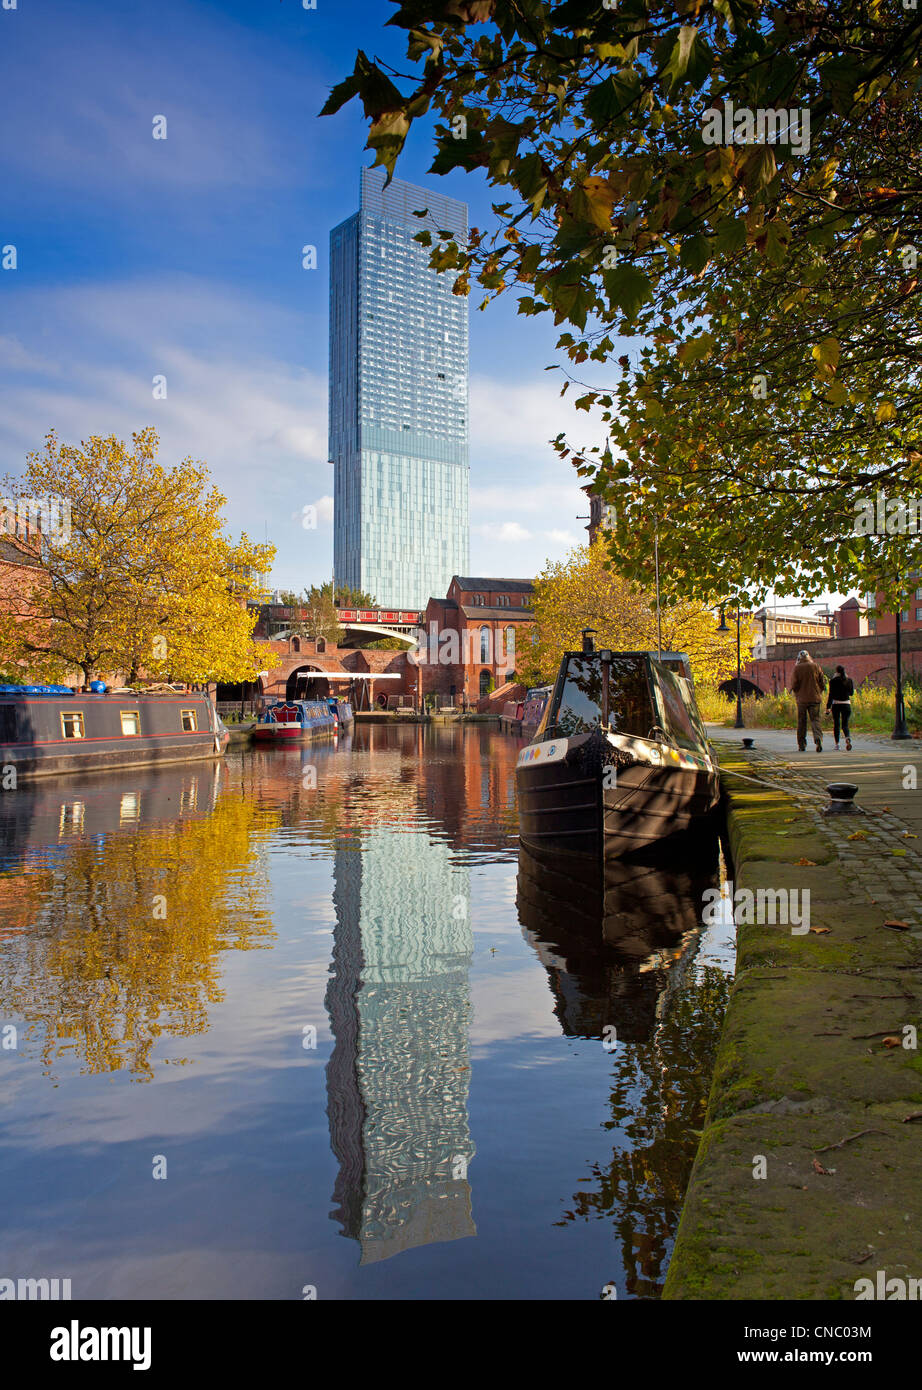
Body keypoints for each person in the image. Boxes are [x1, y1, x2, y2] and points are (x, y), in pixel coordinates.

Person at [791, 649, 826, 752]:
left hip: (802, 700)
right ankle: (818, 738)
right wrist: (819, 691)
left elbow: (794, 684)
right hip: (815, 698)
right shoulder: (815, 666)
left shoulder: (797, 668)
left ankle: (802, 745)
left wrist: (797, 693)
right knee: (815, 720)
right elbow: (822, 681)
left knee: (802, 722)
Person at [826, 664, 854, 751]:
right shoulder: (849, 680)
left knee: (836, 725)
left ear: (836, 671)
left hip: (836, 704)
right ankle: (847, 738)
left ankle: (837, 744)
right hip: (846, 704)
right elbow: (851, 693)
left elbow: (831, 695)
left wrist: (828, 707)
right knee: (845, 724)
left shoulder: (833, 681)